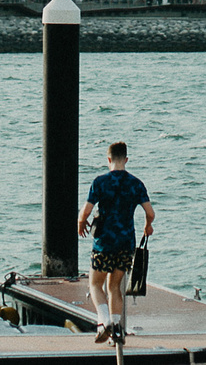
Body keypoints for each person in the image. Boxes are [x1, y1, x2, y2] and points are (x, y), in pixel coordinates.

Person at [75, 140, 155, 344]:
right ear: (126, 159)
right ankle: (117, 330)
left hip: (104, 243)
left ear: (108, 159)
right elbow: (150, 213)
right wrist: (148, 226)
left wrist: (81, 223)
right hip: (126, 243)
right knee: (114, 286)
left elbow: (85, 212)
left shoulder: (100, 182)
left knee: (95, 283)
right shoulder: (136, 183)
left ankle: (104, 322)